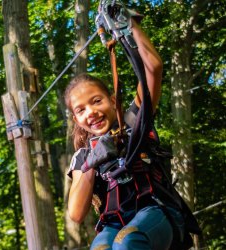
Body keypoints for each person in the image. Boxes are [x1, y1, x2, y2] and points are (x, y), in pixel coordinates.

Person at [64, 16, 197, 250]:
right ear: (76, 120)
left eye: (97, 101)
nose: (91, 112)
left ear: (112, 100)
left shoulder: (133, 122)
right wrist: (91, 164)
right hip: (114, 223)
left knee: (128, 241)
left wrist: (128, 26)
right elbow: (75, 213)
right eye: (81, 110)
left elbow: (153, 69)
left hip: (157, 212)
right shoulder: (82, 158)